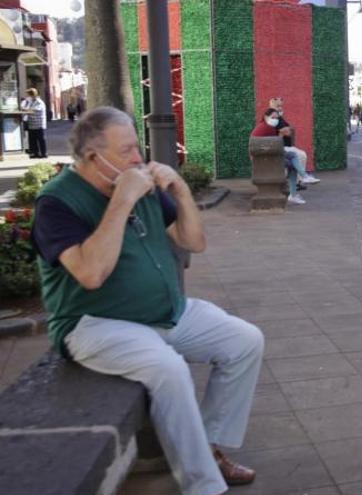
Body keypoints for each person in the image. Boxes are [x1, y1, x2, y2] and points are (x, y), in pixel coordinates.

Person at [31, 106, 264, 495]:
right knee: (169, 370)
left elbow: (194, 242)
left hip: (163, 312)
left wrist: (181, 191)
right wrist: (120, 202)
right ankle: (204, 485)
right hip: (93, 322)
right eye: (127, 151)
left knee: (245, 341)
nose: (139, 159)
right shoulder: (56, 203)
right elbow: (91, 274)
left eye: (137, 148)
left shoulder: (144, 187)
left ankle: (206, 446)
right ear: (93, 157)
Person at [251, 108, 306, 205]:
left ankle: (303, 177)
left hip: (267, 156)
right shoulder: (265, 127)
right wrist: (281, 134)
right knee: (293, 164)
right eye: (273, 117)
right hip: (264, 159)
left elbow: (274, 146)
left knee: (292, 156)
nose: (275, 120)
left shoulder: (267, 127)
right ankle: (298, 185)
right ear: (265, 117)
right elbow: (275, 145)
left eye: (277, 118)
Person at [268, 97, 319, 186]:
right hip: (280, 147)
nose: (280, 108)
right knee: (300, 155)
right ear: (272, 108)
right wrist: (285, 129)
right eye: (278, 106)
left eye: (281, 106)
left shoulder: (279, 118)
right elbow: (286, 131)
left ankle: (300, 181)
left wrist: (286, 128)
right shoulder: (273, 118)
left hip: (286, 146)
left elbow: (288, 129)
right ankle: (300, 179)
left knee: (302, 155)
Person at [25, 88, 48, 158]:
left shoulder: (39, 102)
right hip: (32, 124)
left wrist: (26, 109)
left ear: (33, 95)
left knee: (41, 139)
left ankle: (44, 153)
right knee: (33, 140)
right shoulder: (31, 101)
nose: (28, 96)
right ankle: (36, 153)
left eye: (29, 95)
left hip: (39, 124)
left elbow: (35, 110)